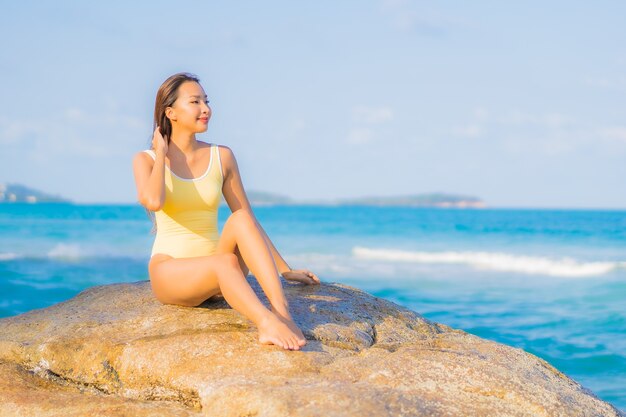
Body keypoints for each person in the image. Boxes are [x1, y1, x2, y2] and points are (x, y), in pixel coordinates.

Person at [132, 72, 320, 351]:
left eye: (206, 101)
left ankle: (282, 313)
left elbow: (249, 222)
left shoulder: (222, 157)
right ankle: (265, 323)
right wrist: (161, 153)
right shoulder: (145, 160)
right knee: (225, 263)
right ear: (170, 112)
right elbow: (153, 202)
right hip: (170, 272)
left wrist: (285, 270)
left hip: (221, 273)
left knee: (240, 219)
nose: (206, 109)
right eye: (195, 102)